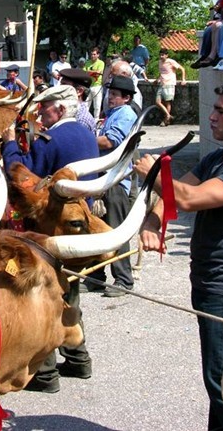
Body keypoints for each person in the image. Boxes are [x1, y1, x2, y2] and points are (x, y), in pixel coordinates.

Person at [134, 82, 223, 431]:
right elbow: (172, 198)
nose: (211, 116)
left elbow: (187, 198)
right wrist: (152, 221)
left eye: (220, 111)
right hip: (210, 283)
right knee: (219, 380)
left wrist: (155, 172)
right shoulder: (217, 157)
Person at [0, 84, 100, 393]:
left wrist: (9, 146)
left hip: (49, 226)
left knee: (43, 295)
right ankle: (78, 358)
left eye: (44, 108)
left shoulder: (49, 139)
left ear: (58, 109)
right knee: (71, 290)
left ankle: (44, 373)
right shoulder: (86, 133)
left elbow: (25, 178)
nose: (39, 114)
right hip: (79, 223)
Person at [87, 75, 139, 297]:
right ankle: (97, 278)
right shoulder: (113, 114)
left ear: (126, 98)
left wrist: (84, 139)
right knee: (99, 230)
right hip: (105, 179)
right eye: (110, 94)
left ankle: (124, 280)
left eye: (115, 95)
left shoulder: (126, 114)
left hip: (116, 180)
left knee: (116, 231)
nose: (110, 98)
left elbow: (110, 141)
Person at [58, 67, 98, 134]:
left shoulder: (81, 120)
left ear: (79, 91)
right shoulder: (68, 112)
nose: (59, 89)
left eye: (64, 86)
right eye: (61, 85)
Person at [154, 49, 186, 126]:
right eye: (160, 55)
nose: (161, 56)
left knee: (167, 102)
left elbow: (182, 69)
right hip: (162, 83)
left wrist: (183, 79)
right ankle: (168, 115)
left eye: (163, 55)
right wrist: (158, 79)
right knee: (157, 102)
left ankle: (166, 120)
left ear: (166, 55)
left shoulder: (171, 62)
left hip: (169, 83)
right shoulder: (159, 62)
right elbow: (162, 73)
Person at [83, 46, 105, 120]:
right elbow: (83, 73)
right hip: (88, 86)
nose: (92, 56)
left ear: (98, 55)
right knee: (86, 104)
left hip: (97, 86)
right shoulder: (87, 62)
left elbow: (98, 73)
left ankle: (96, 121)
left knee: (97, 106)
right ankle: (84, 119)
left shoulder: (101, 63)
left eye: (94, 54)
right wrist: (93, 73)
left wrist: (88, 72)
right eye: (92, 54)